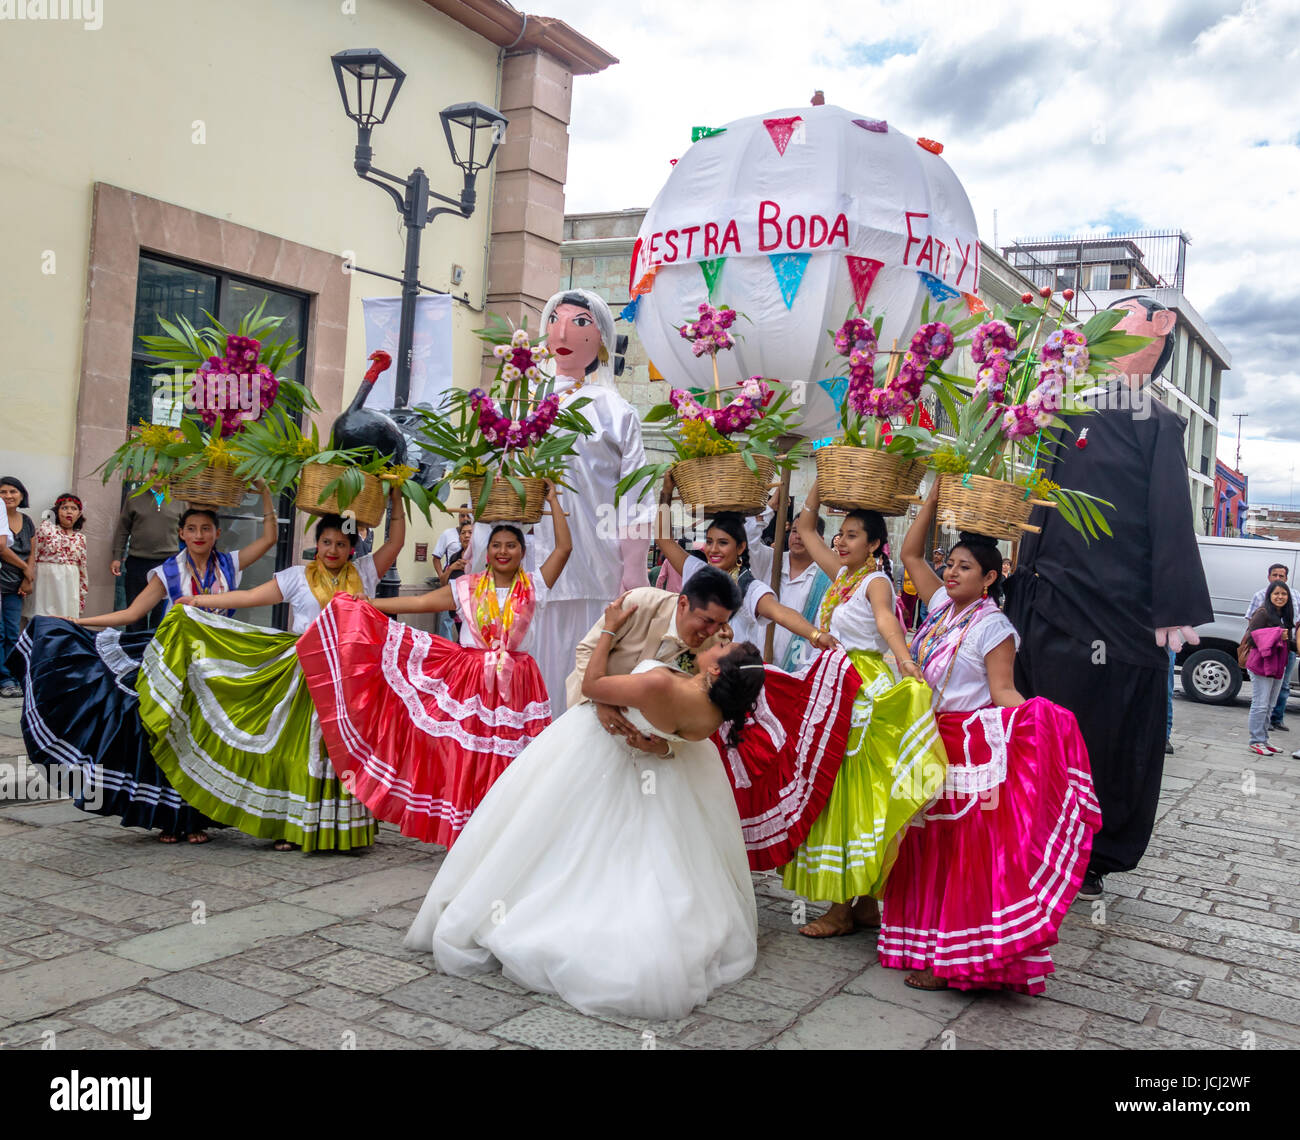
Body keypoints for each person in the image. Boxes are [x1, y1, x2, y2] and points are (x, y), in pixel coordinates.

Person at [403, 597, 767, 1019]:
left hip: (594, 753)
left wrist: (610, 629)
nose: (720, 638)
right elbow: (682, 741)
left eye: (724, 645)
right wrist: (661, 746)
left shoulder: (661, 685)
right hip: (657, 780)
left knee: (551, 836)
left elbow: (593, 684)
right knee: (637, 857)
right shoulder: (712, 714)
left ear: (716, 670)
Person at [1004, 296, 1212, 903]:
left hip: (1114, 612)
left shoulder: (1160, 425)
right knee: (1038, 722)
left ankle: (1091, 851)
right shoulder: (1060, 415)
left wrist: (1173, 608)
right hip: (1044, 601)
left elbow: (1172, 519)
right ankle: (1031, 832)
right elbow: (1033, 509)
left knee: (1100, 732)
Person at [878, 484, 1101, 993]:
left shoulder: (992, 626)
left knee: (960, 851)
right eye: (950, 564)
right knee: (925, 844)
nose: (951, 572)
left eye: (964, 567)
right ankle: (927, 945)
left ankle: (957, 958)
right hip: (925, 737)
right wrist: (933, 495)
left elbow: (1003, 692)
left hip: (965, 747)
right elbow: (911, 554)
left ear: (991, 579)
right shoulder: (939, 608)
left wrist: (1043, 724)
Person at [295, 482, 572, 847]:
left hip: (518, 681)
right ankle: (468, 832)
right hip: (471, 679)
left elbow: (565, 548)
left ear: (522, 552)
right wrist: (367, 604)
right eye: (496, 545)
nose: (503, 551)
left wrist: (552, 500)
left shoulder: (535, 585)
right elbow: (420, 604)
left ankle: (508, 832)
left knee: (513, 755)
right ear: (485, 553)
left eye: (511, 546)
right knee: (468, 754)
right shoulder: (467, 587)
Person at [139, 489, 405, 852]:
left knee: (339, 751)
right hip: (304, 673)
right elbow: (249, 597)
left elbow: (397, 540)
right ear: (316, 543)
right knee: (296, 749)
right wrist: (199, 600)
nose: (332, 550)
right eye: (326, 541)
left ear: (351, 549)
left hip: (349, 679)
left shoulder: (365, 573)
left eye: (341, 544)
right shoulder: (297, 576)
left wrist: (396, 496)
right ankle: (290, 826)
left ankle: (341, 830)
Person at [471, 290, 655, 710]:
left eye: (581, 321)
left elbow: (636, 498)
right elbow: (495, 479)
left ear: (602, 338)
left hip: (593, 572)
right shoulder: (519, 402)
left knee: (580, 689)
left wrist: (632, 569)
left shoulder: (615, 411)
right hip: (521, 571)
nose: (565, 329)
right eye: (556, 318)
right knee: (519, 685)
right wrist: (478, 545)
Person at [781, 486, 947, 937]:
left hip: (862, 689)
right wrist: (821, 472)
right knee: (839, 789)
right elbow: (805, 528)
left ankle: (843, 906)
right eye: (841, 534)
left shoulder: (875, 581)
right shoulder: (843, 577)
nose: (840, 541)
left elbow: (885, 620)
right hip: (834, 681)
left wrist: (907, 661)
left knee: (852, 792)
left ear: (874, 544)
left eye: (852, 535)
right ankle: (862, 906)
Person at [654, 472, 833, 656]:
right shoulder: (696, 570)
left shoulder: (749, 587)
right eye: (709, 541)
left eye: (723, 543)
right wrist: (666, 492)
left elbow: (781, 613)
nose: (713, 549)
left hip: (728, 675)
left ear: (740, 548)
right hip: (686, 664)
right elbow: (663, 538)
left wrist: (816, 635)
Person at [79, 483, 279, 630]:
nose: (199, 535)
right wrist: (78, 622)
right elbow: (132, 613)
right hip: (178, 652)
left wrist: (266, 493)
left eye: (206, 529)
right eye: (191, 529)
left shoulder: (229, 563)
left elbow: (269, 539)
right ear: (181, 533)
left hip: (218, 647)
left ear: (217, 534)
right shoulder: (168, 572)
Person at [110, 478, 184, 631]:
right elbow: (123, 529)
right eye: (154, 471)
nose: (158, 476)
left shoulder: (180, 499)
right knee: (134, 613)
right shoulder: (134, 497)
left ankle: (157, 651)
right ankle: (133, 650)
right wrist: (117, 556)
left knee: (162, 614)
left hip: (167, 564)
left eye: (163, 472)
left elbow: (188, 532)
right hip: (138, 562)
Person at [772, 513, 832, 672]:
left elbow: (824, 626)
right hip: (761, 661)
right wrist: (771, 506)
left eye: (804, 533)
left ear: (820, 540)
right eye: (794, 531)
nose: (798, 537)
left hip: (800, 668)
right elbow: (751, 539)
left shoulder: (826, 578)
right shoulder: (772, 562)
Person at [1244, 582, 1294, 756]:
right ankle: (1255, 741)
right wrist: (1276, 634)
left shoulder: (1286, 615)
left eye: (1284, 594)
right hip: (1261, 664)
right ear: (1269, 596)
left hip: (1278, 664)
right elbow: (1251, 637)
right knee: (1260, 704)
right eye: (1276, 594)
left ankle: (1263, 739)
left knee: (1270, 704)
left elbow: (1289, 643)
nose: (1280, 597)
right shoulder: (1263, 612)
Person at [25, 493, 88, 620]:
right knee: (41, 619)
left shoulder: (81, 538)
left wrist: (82, 594)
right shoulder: (46, 530)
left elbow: (82, 568)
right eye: (64, 508)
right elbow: (33, 555)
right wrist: (27, 579)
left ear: (79, 514)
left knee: (64, 620)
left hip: (69, 585)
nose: (69, 512)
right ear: (57, 511)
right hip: (45, 583)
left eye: (73, 509)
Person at [0, 476, 35, 698]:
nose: (8, 496)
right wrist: (26, 569)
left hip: (17, 584)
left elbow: (33, 551)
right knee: (0, 632)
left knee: (13, 632)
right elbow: (2, 549)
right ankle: (4, 679)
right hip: (2, 578)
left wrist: (27, 577)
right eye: (3, 492)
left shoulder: (28, 520)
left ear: (21, 495)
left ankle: (14, 676)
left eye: (13, 491)